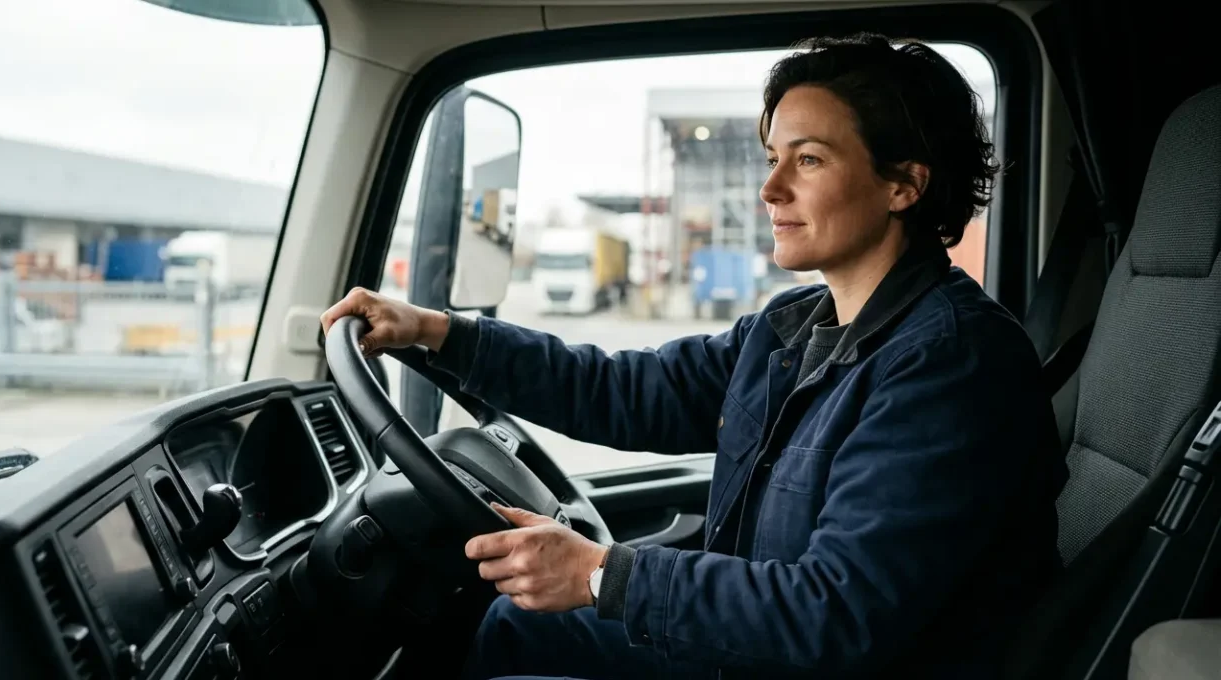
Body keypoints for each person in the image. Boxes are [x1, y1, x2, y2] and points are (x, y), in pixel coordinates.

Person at [321, 33, 1068, 680]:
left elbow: (837, 614)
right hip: (766, 653)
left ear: (904, 183)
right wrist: (437, 332)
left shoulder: (950, 363)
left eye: (807, 160)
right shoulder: (793, 328)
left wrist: (599, 573)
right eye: (773, 158)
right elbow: (619, 388)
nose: (769, 187)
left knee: (514, 629)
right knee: (515, 620)